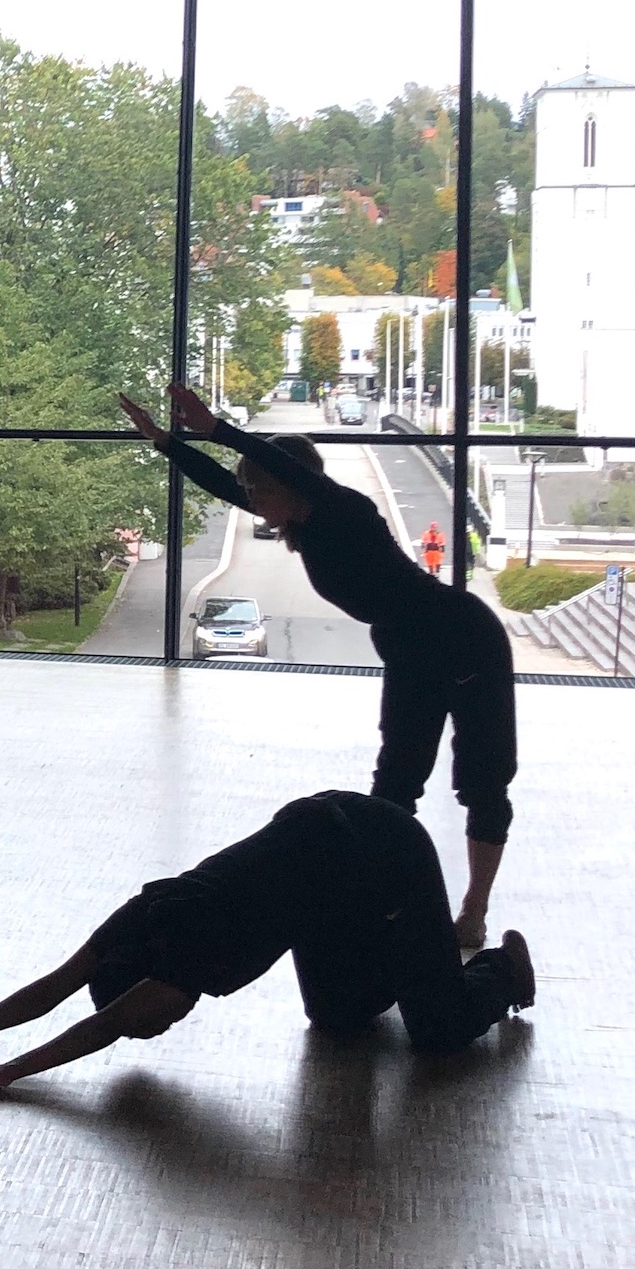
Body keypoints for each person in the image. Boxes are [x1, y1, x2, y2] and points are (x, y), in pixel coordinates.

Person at [121, 382, 519, 949]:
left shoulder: (346, 511)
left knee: (482, 781)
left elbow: (293, 475)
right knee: (396, 783)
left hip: (463, 639)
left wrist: (218, 431)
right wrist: (165, 442)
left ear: (289, 484)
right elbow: (223, 483)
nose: (250, 498)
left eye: (259, 487)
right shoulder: (301, 522)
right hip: (410, 646)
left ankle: (473, 912)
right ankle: (389, 905)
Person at [0, 790, 533, 1103]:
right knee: (338, 1019)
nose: (163, 1025)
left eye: (153, 1021)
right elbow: (56, 985)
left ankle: (503, 969)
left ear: (153, 989)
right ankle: (407, 957)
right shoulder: (140, 919)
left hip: (384, 852)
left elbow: (98, 1027)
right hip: (325, 869)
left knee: (438, 1030)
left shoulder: (188, 956)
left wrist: (6, 1072)